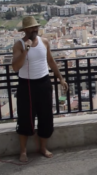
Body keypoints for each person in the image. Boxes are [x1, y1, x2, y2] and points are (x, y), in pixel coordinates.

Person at [12, 16, 68, 162]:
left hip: (44, 83)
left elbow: (50, 61)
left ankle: (42, 147)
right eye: (31, 28)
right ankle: (23, 151)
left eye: (35, 27)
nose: (34, 30)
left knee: (46, 116)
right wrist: (26, 50)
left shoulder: (44, 42)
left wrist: (60, 78)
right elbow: (15, 67)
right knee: (25, 117)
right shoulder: (19, 45)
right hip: (26, 85)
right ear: (25, 30)